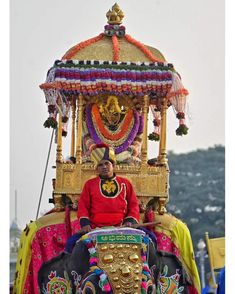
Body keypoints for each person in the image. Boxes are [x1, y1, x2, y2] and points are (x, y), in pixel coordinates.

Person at [77, 144, 140, 233]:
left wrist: (130, 221)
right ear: (96, 169)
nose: (104, 167)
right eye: (100, 165)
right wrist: (85, 224)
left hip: (122, 226)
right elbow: (83, 206)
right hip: (95, 227)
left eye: (107, 163)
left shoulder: (125, 183)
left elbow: (134, 205)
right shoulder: (89, 184)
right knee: (73, 244)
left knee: (149, 240)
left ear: (113, 165)